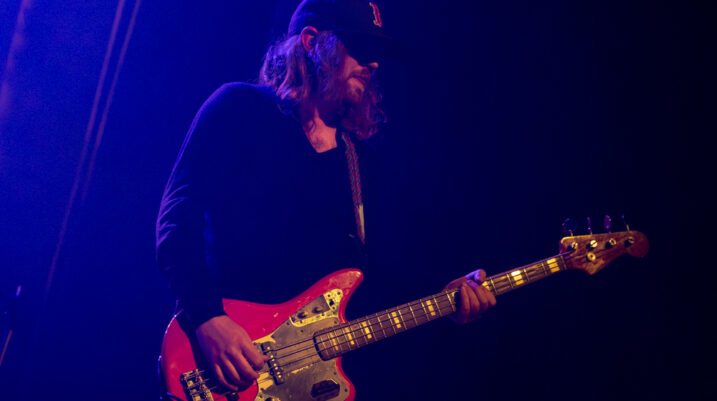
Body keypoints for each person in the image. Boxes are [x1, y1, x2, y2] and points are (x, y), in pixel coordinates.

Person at [156, 0, 496, 394]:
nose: (373, 64)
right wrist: (208, 319)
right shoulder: (238, 109)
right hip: (222, 367)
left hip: (307, 384)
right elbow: (176, 223)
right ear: (311, 42)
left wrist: (443, 301)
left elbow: (370, 285)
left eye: (377, 54)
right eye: (360, 47)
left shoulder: (361, 164)